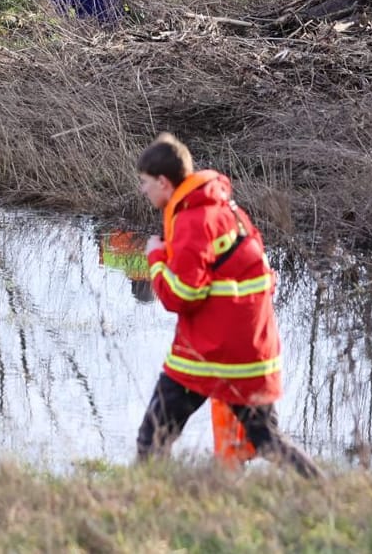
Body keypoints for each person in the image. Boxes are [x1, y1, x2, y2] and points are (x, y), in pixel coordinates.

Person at [134, 133, 319, 477]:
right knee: (266, 439)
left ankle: (147, 507)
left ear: (163, 181)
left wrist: (156, 258)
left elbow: (182, 295)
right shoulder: (222, 209)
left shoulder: (191, 221)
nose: (142, 190)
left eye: (144, 183)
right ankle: (323, 491)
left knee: (152, 438)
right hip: (249, 351)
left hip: (208, 354)